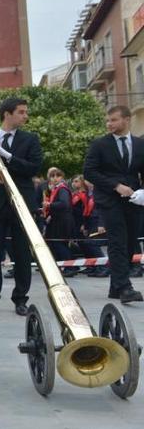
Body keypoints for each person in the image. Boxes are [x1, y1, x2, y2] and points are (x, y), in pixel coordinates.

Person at [0, 97, 43, 316]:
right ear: (7, 114)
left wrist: (8, 156)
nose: (25, 116)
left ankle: (20, 298)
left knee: (22, 252)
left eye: (25, 112)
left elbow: (34, 167)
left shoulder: (30, 139)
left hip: (21, 202)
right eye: (21, 112)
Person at [82, 105, 144, 303]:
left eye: (114, 120)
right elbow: (89, 172)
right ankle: (125, 287)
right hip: (109, 199)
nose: (109, 124)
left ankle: (115, 287)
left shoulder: (139, 144)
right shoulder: (99, 144)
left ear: (126, 120)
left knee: (129, 242)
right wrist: (116, 185)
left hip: (133, 200)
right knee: (117, 241)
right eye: (108, 120)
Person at [43, 168, 76, 277]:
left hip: (62, 221)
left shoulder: (62, 189)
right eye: (52, 176)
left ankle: (69, 267)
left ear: (62, 177)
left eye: (58, 176)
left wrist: (49, 205)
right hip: (58, 220)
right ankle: (66, 266)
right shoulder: (56, 189)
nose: (55, 178)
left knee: (60, 244)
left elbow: (64, 204)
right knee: (58, 244)